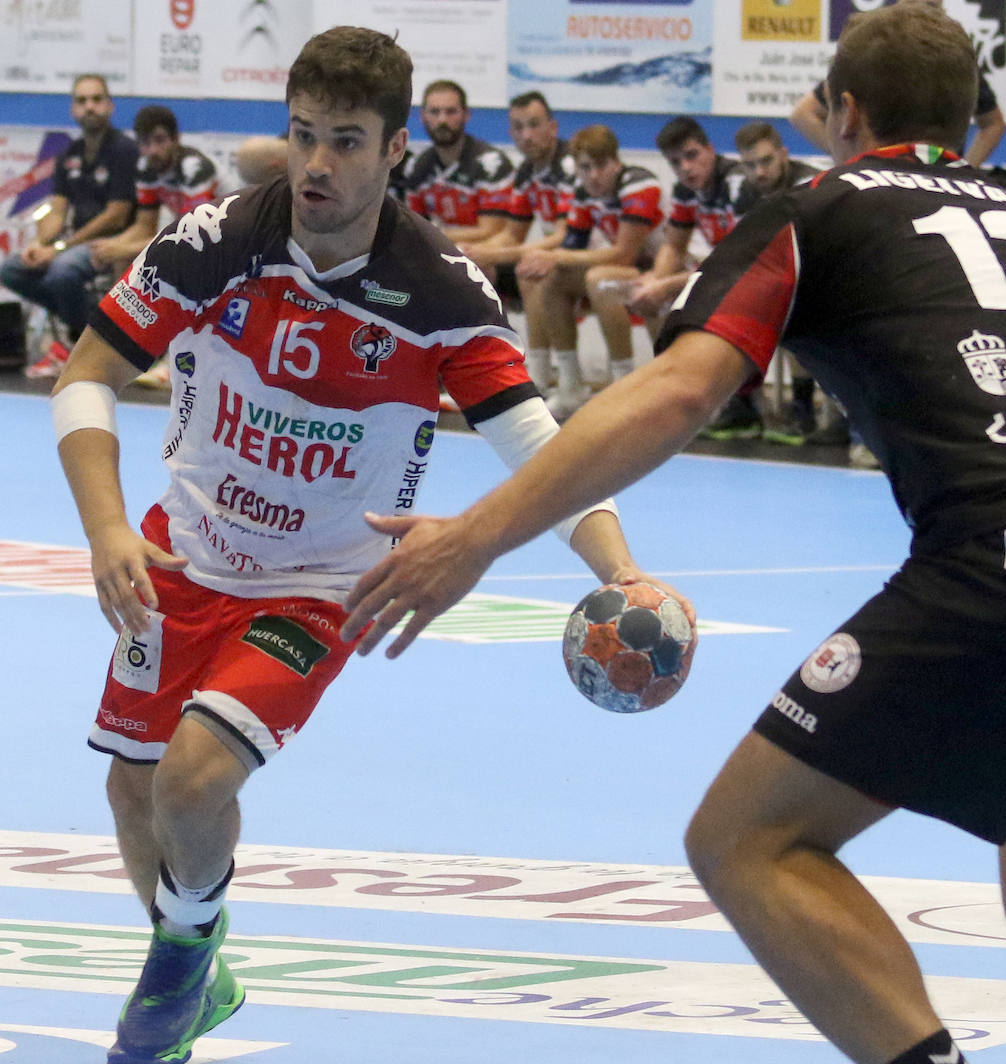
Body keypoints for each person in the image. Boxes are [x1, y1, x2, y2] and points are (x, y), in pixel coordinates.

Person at [337, 7, 1006, 1064]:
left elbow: (675, 395)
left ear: (843, 114)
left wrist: (474, 537)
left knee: (746, 840)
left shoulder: (812, 210)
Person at [50, 27, 677, 1064]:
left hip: (323, 584)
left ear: (395, 151)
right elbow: (84, 372)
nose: (316, 164)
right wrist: (107, 524)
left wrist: (621, 571)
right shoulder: (214, 242)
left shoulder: (438, 289)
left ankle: (183, 955)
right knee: (133, 785)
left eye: (346, 140)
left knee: (194, 781)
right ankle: (202, 965)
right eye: (302, 136)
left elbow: (536, 442)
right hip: (180, 556)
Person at [586, 116, 757, 437]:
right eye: (675, 162)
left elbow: (737, 260)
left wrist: (664, 284)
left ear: (709, 149)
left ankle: (738, 403)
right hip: (716, 272)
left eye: (691, 156)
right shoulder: (685, 190)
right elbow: (673, 247)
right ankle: (660, 389)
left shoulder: (737, 183)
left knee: (682, 295)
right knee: (650, 296)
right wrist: (655, 281)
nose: (685, 168)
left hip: (751, 273)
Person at [514, 124, 663, 419]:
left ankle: (625, 385)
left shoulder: (638, 184)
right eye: (585, 167)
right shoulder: (583, 193)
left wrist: (555, 255)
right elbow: (573, 245)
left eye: (602, 165)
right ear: (576, 169)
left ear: (616, 162)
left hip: (667, 273)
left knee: (601, 279)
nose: (594, 175)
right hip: (634, 273)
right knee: (553, 280)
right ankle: (571, 386)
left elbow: (623, 254)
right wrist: (550, 260)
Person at [1, 73, 138, 379]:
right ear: (73, 110)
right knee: (11, 268)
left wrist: (61, 248)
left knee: (62, 272)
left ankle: (78, 342)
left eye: (96, 99)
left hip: (113, 244)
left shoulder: (125, 150)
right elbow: (57, 209)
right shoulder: (69, 154)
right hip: (74, 246)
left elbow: (116, 215)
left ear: (110, 106)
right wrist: (41, 244)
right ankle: (97, 323)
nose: (89, 106)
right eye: (81, 101)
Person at [789, 0, 1005, 167]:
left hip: (928, 181)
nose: (922, 16)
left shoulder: (956, 63)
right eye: (914, 6)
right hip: (886, 179)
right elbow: (803, 113)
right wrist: (849, 159)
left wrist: (965, 169)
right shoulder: (870, 56)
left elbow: (993, 123)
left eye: (930, 6)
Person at [459, 91, 578, 389]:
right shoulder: (526, 171)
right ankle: (481, 369)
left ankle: (555, 378)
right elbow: (512, 233)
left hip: (588, 252)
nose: (526, 135)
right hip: (564, 252)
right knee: (478, 267)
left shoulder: (569, 165)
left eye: (534, 125)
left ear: (553, 127)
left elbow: (567, 235)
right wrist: (470, 252)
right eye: (518, 127)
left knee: (533, 271)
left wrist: (497, 255)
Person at [733, 121, 827, 446]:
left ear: (783, 154)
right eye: (750, 165)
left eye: (766, 161)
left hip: (830, 267)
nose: (759, 172)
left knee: (793, 304)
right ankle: (748, 404)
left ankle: (805, 409)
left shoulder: (809, 183)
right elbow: (745, 248)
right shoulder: (746, 191)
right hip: (788, 271)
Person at [89, 105, 219, 279]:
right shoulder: (146, 167)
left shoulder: (193, 168)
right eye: (145, 142)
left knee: (126, 253)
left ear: (176, 139)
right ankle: (122, 306)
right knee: (122, 255)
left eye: (160, 140)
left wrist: (121, 249)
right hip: (200, 238)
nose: (153, 150)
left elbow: (192, 235)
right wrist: (110, 246)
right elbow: (145, 226)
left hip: (224, 239)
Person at [404, 78, 514, 247]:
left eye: (450, 112)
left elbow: (491, 231)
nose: (442, 120)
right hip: (438, 253)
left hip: (484, 256)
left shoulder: (492, 164)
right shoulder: (415, 166)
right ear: (422, 117)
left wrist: (435, 234)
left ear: (466, 114)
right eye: (434, 112)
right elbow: (414, 230)